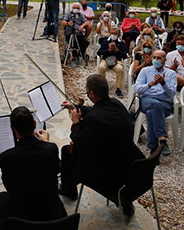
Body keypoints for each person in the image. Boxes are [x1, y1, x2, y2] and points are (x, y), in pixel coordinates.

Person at [59, 74, 144, 209]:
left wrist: (75, 122)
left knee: (67, 150)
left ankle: (68, 190)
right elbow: (96, 110)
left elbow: (79, 145)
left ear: (91, 93)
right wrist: (74, 107)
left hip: (110, 175)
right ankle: (127, 204)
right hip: (131, 166)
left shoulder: (94, 120)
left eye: (87, 90)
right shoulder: (116, 104)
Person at [0, 106, 66, 230]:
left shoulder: (5, 158)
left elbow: (10, 188)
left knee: (2, 197)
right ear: (34, 124)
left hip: (20, 222)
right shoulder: (50, 149)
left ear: (12, 129)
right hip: (53, 219)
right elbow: (58, 168)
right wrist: (45, 143)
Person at [134, 50, 178, 155]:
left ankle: (153, 148)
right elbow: (137, 88)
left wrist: (163, 84)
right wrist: (150, 84)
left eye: (159, 58)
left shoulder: (171, 73)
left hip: (164, 103)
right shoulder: (145, 71)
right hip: (147, 100)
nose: (156, 60)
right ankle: (162, 138)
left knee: (151, 113)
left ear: (165, 60)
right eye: (154, 57)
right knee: (155, 105)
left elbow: (172, 94)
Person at [97, 27, 128, 97]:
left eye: (115, 34)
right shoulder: (105, 41)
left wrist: (117, 50)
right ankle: (103, 87)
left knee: (120, 69)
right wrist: (108, 50)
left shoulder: (121, 43)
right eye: (112, 33)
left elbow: (124, 56)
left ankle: (118, 88)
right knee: (101, 67)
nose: (113, 35)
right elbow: (99, 53)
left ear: (119, 34)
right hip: (105, 60)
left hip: (117, 61)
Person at [62, 2, 90, 67]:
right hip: (70, 33)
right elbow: (63, 22)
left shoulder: (80, 15)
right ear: (72, 8)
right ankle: (73, 58)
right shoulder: (69, 14)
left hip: (79, 33)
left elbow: (86, 22)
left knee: (86, 42)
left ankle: (80, 53)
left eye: (77, 8)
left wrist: (82, 26)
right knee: (73, 43)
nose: (75, 9)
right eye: (74, 8)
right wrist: (68, 23)